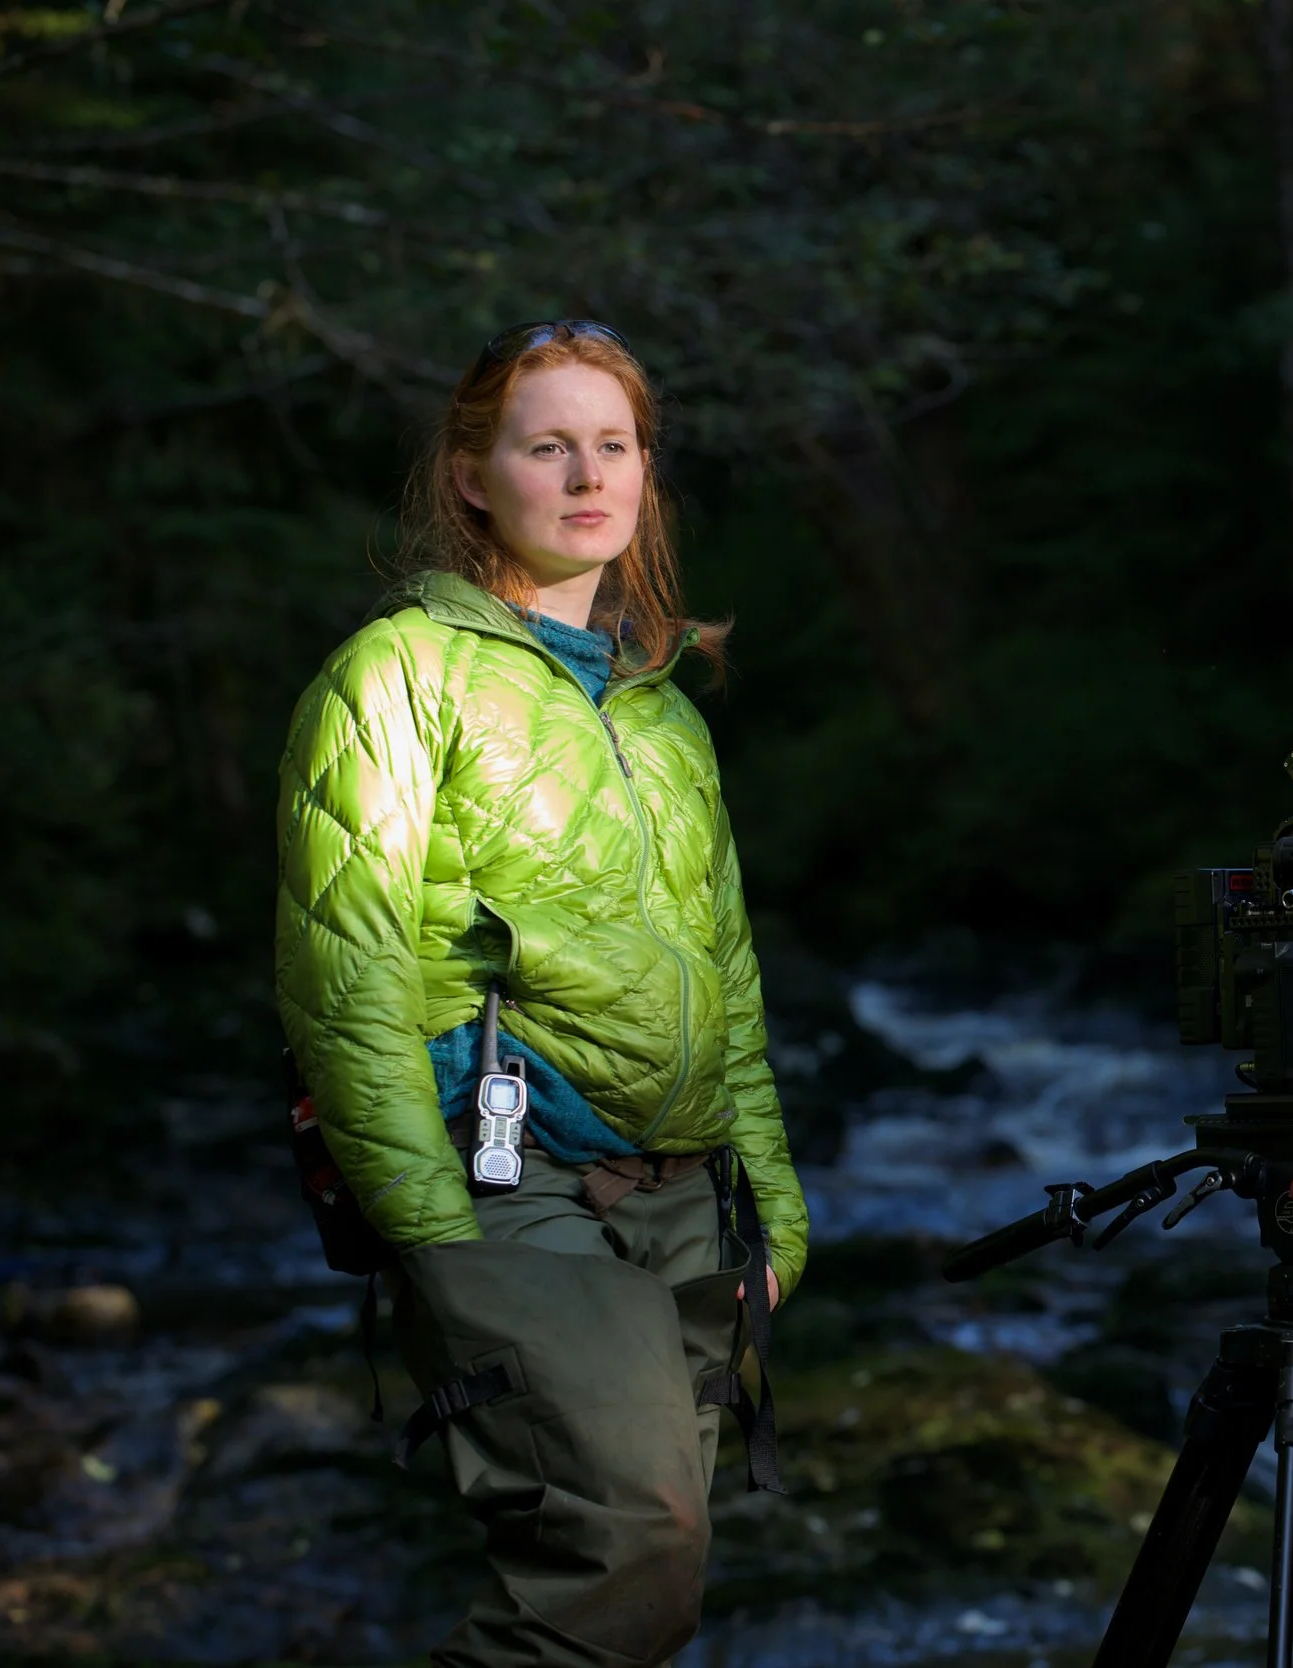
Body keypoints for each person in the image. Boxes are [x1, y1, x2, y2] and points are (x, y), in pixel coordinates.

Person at [274, 320, 809, 1668]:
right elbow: (349, 979)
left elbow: (726, 977)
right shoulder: (398, 675)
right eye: (546, 444)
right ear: (471, 474)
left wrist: (773, 1212)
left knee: (646, 1590)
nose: (588, 474)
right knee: (632, 1549)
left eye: (614, 445)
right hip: (515, 1188)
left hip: (689, 1201)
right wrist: (431, 1227)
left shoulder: (662, 713)